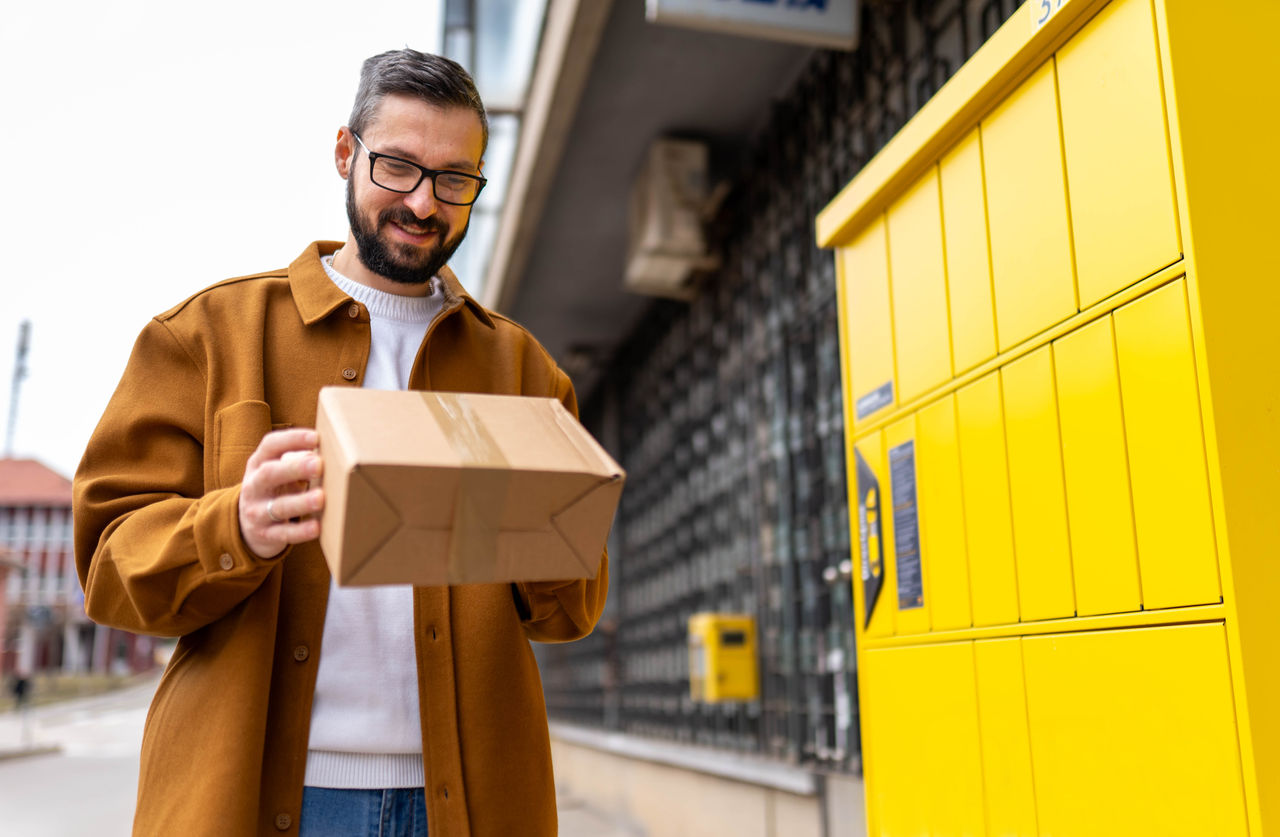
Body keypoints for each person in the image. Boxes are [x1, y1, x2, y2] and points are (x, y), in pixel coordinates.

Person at [73, 48, 607, 837]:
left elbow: (572, 610)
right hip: (250, 801)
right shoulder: (207, 335)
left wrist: (543, 533)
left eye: (454, 180)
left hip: (468, 807)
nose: (423, 203)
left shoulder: (522, 367)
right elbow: (109, 568)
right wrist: (236, 527)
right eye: (397, 167)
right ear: (344, 153)